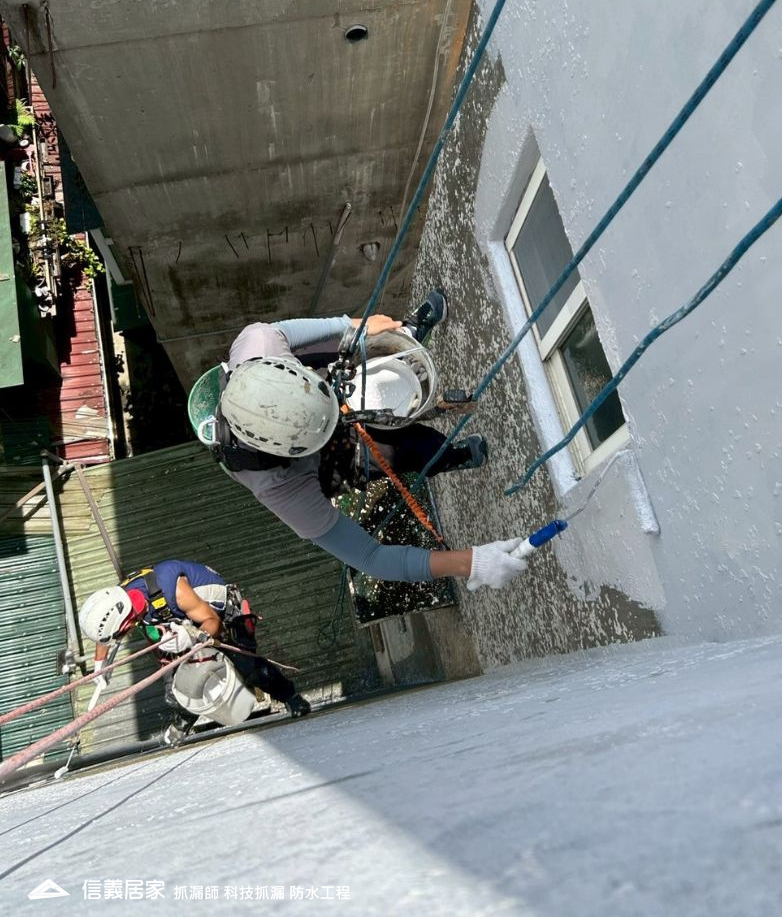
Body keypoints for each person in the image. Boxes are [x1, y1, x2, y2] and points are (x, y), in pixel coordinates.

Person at [189, 291, 527, 592]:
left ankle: (407, 336)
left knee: (365, 344)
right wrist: (469, 562)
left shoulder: (259, 344)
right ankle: (450, 457)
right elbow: (371, 558)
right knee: (417, 449)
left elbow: (296, 332)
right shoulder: (283, 489)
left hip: (321, 385)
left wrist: (355, 326)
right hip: (334, 459)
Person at [78, 559, 311, 746]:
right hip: (179, 625)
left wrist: (188, 637)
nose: (120, 639)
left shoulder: (173, 590)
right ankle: (186, 718)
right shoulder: (120, 599)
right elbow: (106, 634)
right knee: (174, 690)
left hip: (217, 615)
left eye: (121, 634)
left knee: (249, 668)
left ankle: (290, 696)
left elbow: (213, 624)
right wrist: (100, 665)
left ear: (127, 621)